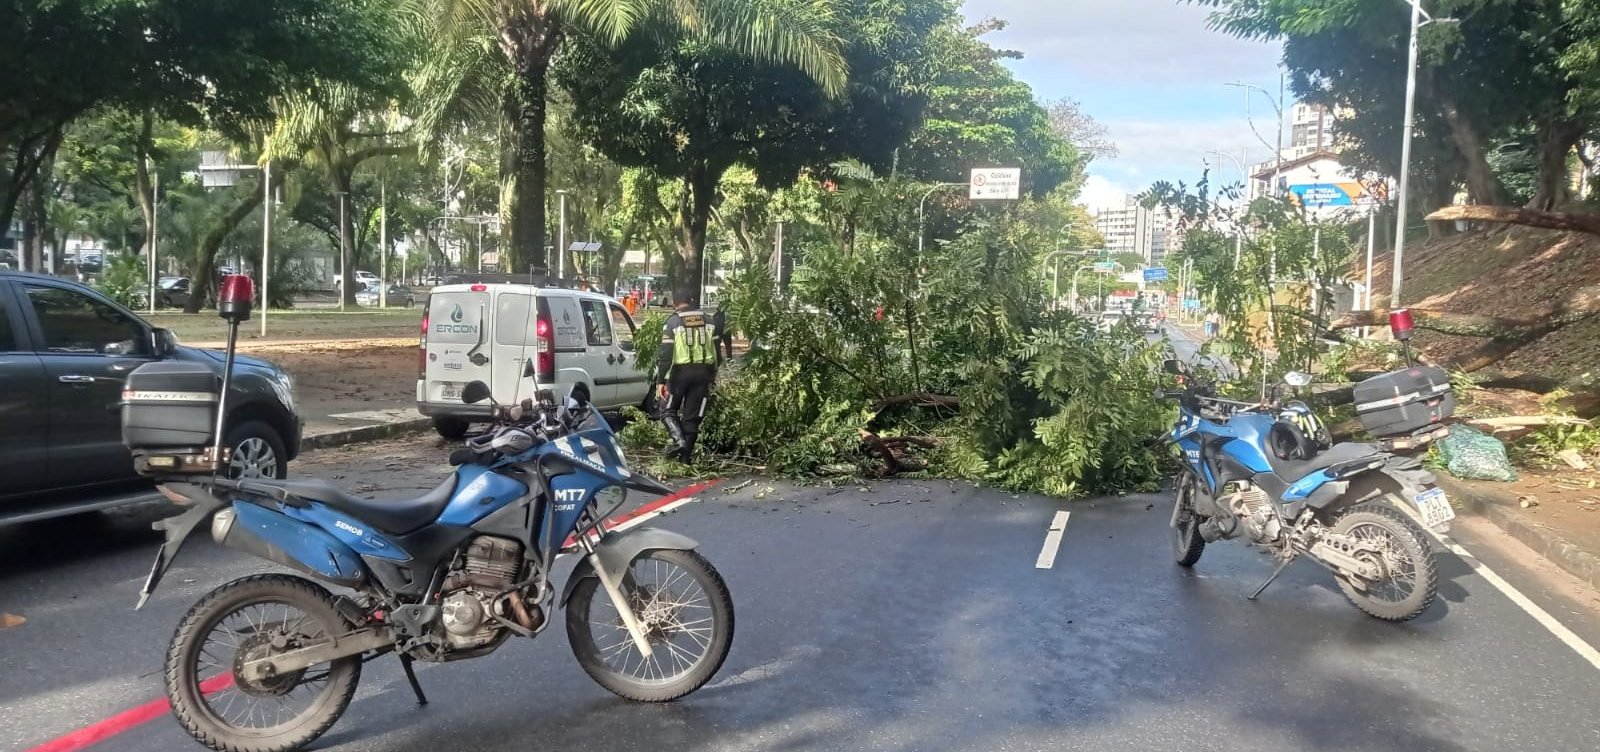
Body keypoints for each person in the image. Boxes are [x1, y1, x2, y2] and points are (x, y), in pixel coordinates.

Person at [655, 291, 720, 461]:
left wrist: (660, 381)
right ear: (691, 300)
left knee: (667, 410)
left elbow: (666, 354)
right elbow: (717, 351)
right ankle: (685, 460)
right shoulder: (709, 319)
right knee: (693, 417)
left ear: (675, 303)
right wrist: (713, 374)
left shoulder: (673, 321)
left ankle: (679, 441)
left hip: (680, 374)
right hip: (703, 373)